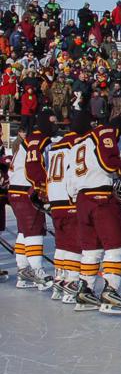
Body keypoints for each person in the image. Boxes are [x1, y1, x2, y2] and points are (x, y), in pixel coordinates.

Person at [65, 110, 121, 313]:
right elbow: (107, 161)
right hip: (101, 196)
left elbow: (69, 177)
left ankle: (85, 289)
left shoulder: (78, 143)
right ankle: (111, 289)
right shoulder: (105, 132)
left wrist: (74, 198)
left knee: (91, 249)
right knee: (114, 246)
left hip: (82, 198)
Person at [8, 118, 54, 290]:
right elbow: (35, 167)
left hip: (15, 190)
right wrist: (42, 188)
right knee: (34, 231)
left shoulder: (28, 140)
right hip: (26, 190)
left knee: (24, 231)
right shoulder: (40, 140)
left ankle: (23, 271)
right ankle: (37, 272)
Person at [46, 121, 84, 303]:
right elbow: (74, 172)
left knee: (61, 244)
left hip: (55, 198)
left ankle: (59, 280)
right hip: (68, 198)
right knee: (74, 244)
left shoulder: (56, 145)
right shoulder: (76, 143)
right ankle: (72, 282)